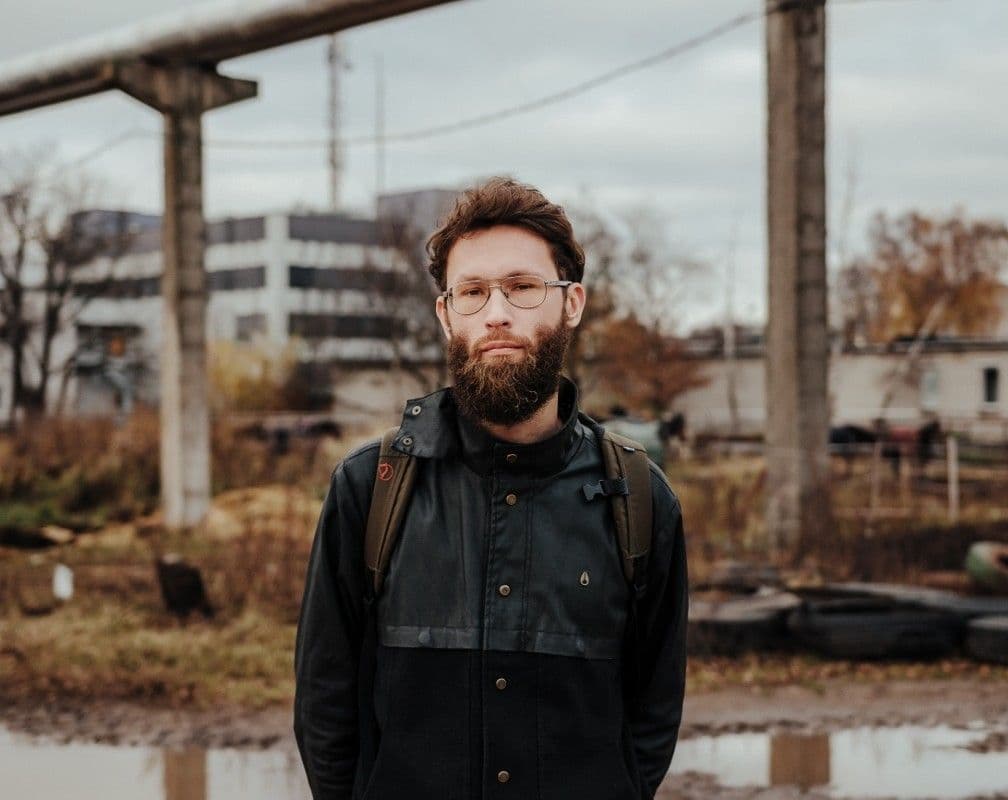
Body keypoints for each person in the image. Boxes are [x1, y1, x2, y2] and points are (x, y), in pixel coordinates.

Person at [294, 177, 689, 800]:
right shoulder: (371, 488)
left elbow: (653, 712)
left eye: (523, 287)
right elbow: (326, 705)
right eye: (473, 292)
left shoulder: (638, 498)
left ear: (572, 303)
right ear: (446, 314)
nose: (496, 313)